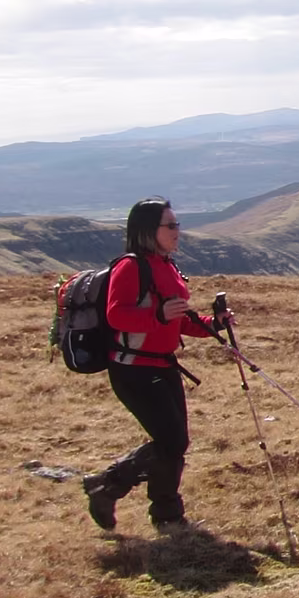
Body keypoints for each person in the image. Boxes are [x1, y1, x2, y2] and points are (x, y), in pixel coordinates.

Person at [80, 198, 220, 533]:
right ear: (147, 230)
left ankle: (167, 514)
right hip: (135, 369)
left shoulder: (166, 265)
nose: (177, 231)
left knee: (175, 442)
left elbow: (178, 321)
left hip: (163, 365)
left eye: (177, 224)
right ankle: (109, 485)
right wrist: (158, 314)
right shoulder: (131, 267)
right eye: (170, 225)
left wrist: (213, 324)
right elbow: (117, 315)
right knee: (171, 440)